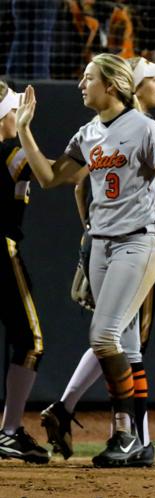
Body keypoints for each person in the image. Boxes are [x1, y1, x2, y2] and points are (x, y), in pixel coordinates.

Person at [15, 53, 155, 467]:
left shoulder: (145, 127)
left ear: (111, 85)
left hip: (138, 243)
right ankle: (135, 443)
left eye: (87, 78)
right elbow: (53, 178)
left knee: (102, 336)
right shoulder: (88, 132)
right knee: (125, 344)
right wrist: (24, 132)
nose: (80, 85)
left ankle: (123, 431)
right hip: (102, 246)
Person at [0, 81, 50, 464]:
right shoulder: (12, 151)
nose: (19, 115)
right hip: (2, 249)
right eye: (14, 110)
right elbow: (45, 172)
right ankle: (10, 431)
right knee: (30, 341)